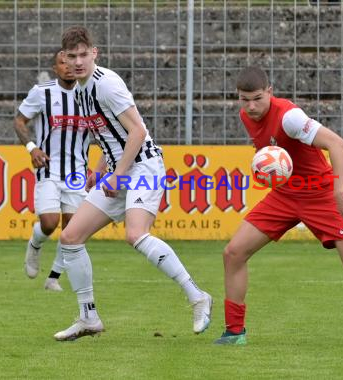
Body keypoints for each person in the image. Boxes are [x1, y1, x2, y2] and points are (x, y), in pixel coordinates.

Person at [214, 66, 343, 346]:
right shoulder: (245, 115)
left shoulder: (290, 118)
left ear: (270, 92)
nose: (251, 106)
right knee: (233, 253)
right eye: (244, 99)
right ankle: (234, 333)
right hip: (285, 195)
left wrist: (339, 192)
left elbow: (338, 145)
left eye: (257, 98)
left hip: (322, 195)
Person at [52, 26, 212, 341]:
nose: (79, 61)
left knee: (136, 234)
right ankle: (89, 318)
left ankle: (198, 296)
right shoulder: (80, 89)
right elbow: (108, 134)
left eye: (84, 54)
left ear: (94, 53)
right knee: (70, 237)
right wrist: (100, 168)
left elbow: (137, 132)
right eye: (72, 56)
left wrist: (117, 174)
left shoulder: (107, 84)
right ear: (64, 59)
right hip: (121, 168)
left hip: (143, 166)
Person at [14, 49, 91, 292]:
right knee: (49, 223)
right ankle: (35, 246)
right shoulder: (42, 93)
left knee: (72, 231)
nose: (68, 66)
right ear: (56, 67)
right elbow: (19, 121)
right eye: (62, 62)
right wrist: (31, 147)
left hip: (77, 171)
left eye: (71, 60)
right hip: (48, 169)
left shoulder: (89, 93)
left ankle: (53, 277)